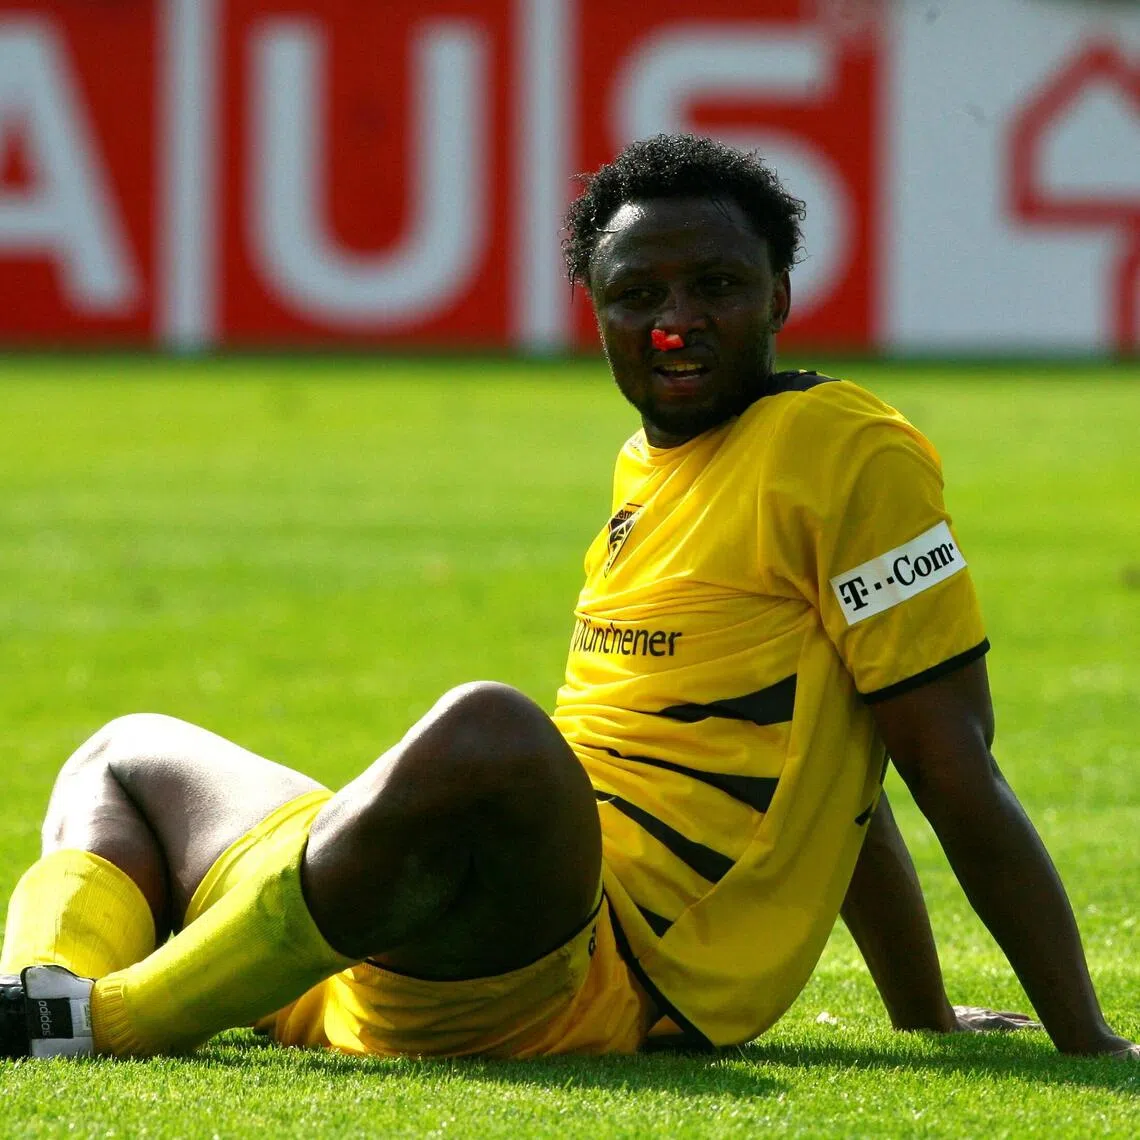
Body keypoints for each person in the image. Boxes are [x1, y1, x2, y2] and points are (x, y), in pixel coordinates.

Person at [1, 134, 1135, 1062]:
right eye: (638, 294)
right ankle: (34, 1003)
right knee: (124, 754)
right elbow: (836, 775)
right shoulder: (651, 466)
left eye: (718, 287)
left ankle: (118, 1018)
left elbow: (942, 764)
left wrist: (1084, 1040)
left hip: (584, 967)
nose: (676, 322)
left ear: (782, 293)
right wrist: (922, 1015)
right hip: (388, 943)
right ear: (594, 311)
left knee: (493, 729)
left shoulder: (846, 451)